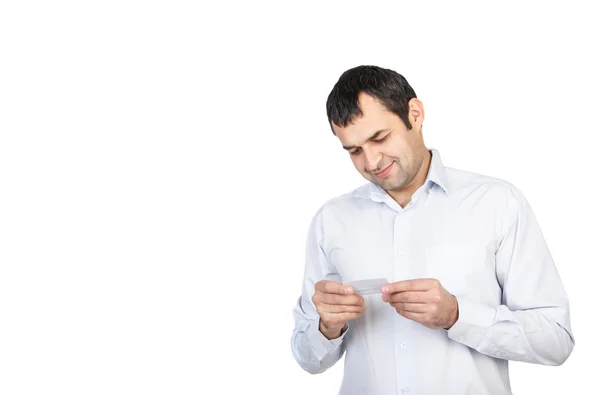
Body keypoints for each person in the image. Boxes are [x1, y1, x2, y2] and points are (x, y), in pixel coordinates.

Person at [290, 65, 574, 395]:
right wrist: (327, 327)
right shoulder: (331, 220)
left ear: (415, 114)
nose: (371, 162)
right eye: (354, 150)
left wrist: (457, 314)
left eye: (379, 138)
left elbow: (556, 340)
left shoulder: (497, 203)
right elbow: (307, 358)